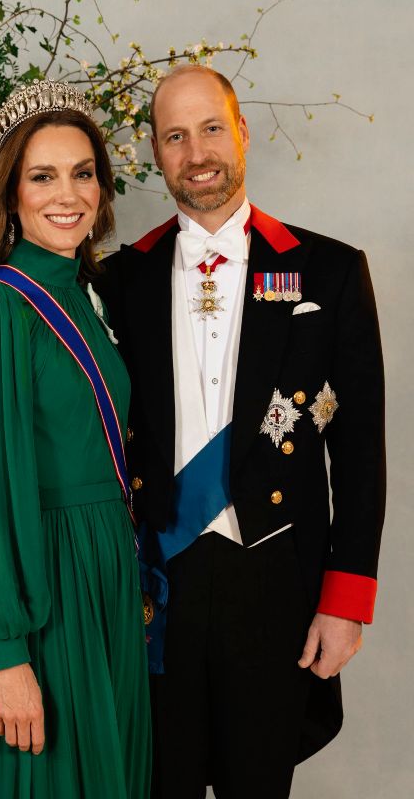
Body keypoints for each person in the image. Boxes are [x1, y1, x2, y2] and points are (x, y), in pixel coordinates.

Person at [94, 65, 385, 799]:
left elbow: (359, 452)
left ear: (243, 132)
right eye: (175, 136)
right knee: (158, 782)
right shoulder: (114, 281)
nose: (197, 153)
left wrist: (345, 600)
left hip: (278, 582)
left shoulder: (328, 271)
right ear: (155, 153)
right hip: (159, 586)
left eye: (212, 128)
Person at [0, 79, 151, 799]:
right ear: (10, 192)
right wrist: (5, 651)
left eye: (83, 173)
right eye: (43, 175)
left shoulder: (85, 294)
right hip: (46, 585)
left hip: (104, 576)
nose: (69, 194)